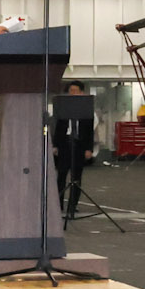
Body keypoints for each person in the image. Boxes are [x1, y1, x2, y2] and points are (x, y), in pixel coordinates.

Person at [50, 80, 96, 219]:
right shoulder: (63, 107)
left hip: (79, 145)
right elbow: (57, 128)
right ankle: (58, 204)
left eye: (75, 91)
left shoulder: (86, 109)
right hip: (65, 144)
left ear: (81, 92)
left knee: (76, 177)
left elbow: (89, 131)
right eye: (70, 91)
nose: (72, 93)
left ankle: (73, 205)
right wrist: (55, 145)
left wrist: (89, 148)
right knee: (61, 175)